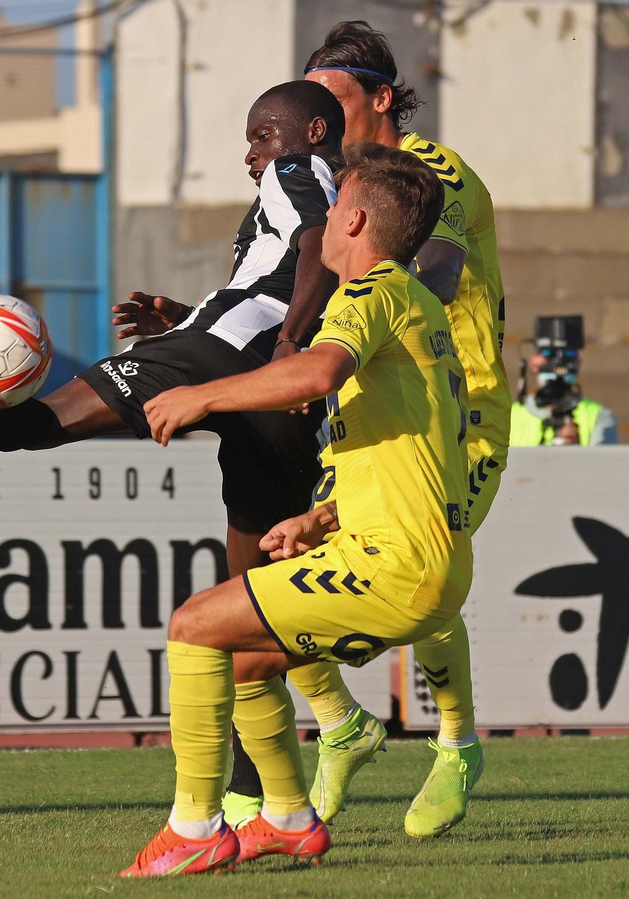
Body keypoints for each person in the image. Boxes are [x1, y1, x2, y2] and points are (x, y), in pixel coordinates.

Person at [0, 81, 343, 583]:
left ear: (315, 132)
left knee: (45, 421)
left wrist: (287, 344)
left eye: (261, 137)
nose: (251, 155)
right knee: (258, 599)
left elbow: (315, 248)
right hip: (285, 401)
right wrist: (190, 318)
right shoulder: (358, 205)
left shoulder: (294, 168)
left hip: (243, 357)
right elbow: (288, 283)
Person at [120, 141, 470, 876]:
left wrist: (201, 395)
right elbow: (414, 449)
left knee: (193, 625)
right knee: (247, 662)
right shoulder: (414, 304)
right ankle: (286, 817)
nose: (326, 216)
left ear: (357, 220)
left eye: (336, 205)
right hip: (409, 556)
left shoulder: (372, 292)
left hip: (394, 565)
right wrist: (320, 517)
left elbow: (317, 371)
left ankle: (194, 827)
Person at [221, 20, 507, 839]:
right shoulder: (333, 190)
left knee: (420, 566)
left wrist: (357, 318)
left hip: (456, 410)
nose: (316, 113)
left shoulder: (429, 172)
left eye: (334, 97)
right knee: (290, 558)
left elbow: (436, 270)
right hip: (368, 406)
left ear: (381, 99)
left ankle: (456, 744)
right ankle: (340, 722)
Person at [510, 315, 618, 446]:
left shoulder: (599, 416)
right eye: (549, 354)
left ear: (578, 362)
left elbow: (605, 459)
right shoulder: (509, 417)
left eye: (569, 354)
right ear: (533, 362)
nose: (559, 361)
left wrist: (575, 451)